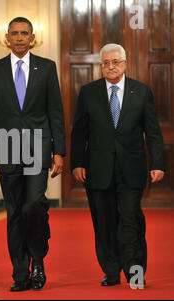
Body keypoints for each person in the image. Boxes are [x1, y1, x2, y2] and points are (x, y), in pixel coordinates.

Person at [0, 17, 66, 291]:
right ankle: (20, 273)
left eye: (24, 33)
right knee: (14, 211)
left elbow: (56, 112)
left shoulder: (47, 68)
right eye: (14, 33)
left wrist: (59, 152)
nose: (19, 38)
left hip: (37, 149)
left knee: (34, 204)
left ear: (32, 38)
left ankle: (38, 262)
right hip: (6, 150)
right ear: (7, 37)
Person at [71, 43, 165, 287]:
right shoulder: (88, 92)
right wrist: (77, 163)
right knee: (104, 222)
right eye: (106, 63)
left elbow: (152, 132)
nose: (111, 66)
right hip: (97, 169)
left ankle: (135, 273)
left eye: (115, 62)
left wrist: (158, 163)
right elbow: (79, 131)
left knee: (131, 220)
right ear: (100, 66)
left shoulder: (141, 91)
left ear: (125, 63)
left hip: (132, 169)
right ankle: (111, 270)